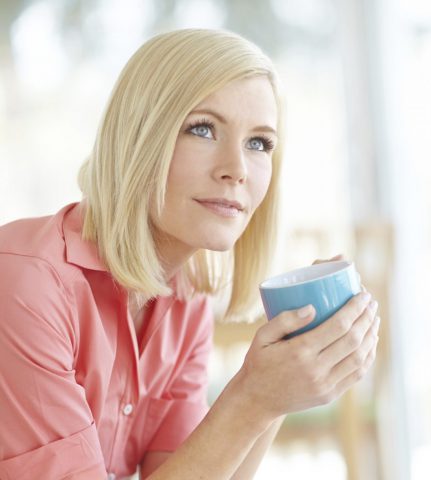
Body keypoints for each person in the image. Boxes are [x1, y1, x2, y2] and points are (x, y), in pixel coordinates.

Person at [0, 28, 380, 479]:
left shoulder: (187, 303)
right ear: (138, 138)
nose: (236, 170)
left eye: (258, 143)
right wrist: (253, 397)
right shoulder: (24, 285)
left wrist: (280, 388)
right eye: (203, 129)